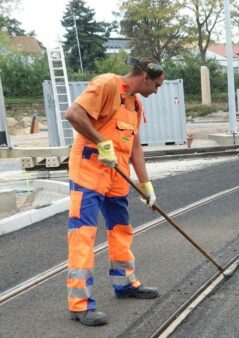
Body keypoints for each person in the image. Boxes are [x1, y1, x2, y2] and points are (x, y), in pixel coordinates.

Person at [64, 57, 165, 326]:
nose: (158, 90)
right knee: (83, 235)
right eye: (157, 84)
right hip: (89, 171)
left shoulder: (135, 104)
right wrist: (101, 143)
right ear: (144, 78)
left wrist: (146, 185)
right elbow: (73, 113)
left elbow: (135, 148)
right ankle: (80, 304)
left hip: (117, 176)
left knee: (121, 230)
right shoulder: (106, 84)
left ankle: (125, 284)